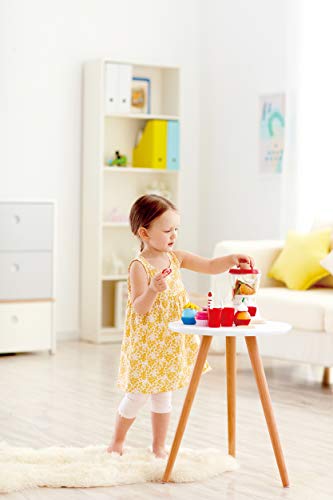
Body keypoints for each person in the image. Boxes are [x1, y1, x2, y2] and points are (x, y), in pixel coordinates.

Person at [107, 194, 255, 458]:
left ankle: (159, 446)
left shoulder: (176, 258)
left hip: (171, 339)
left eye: (176, 229)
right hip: (147, 344)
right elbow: (139, 307)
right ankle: (117, 442)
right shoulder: (139, 267)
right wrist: (153, 289)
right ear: (144, 232)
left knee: (164, 395)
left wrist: (231, 258)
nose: (173, 235)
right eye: (167, 230)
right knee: (138, 394)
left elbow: (210, 266)